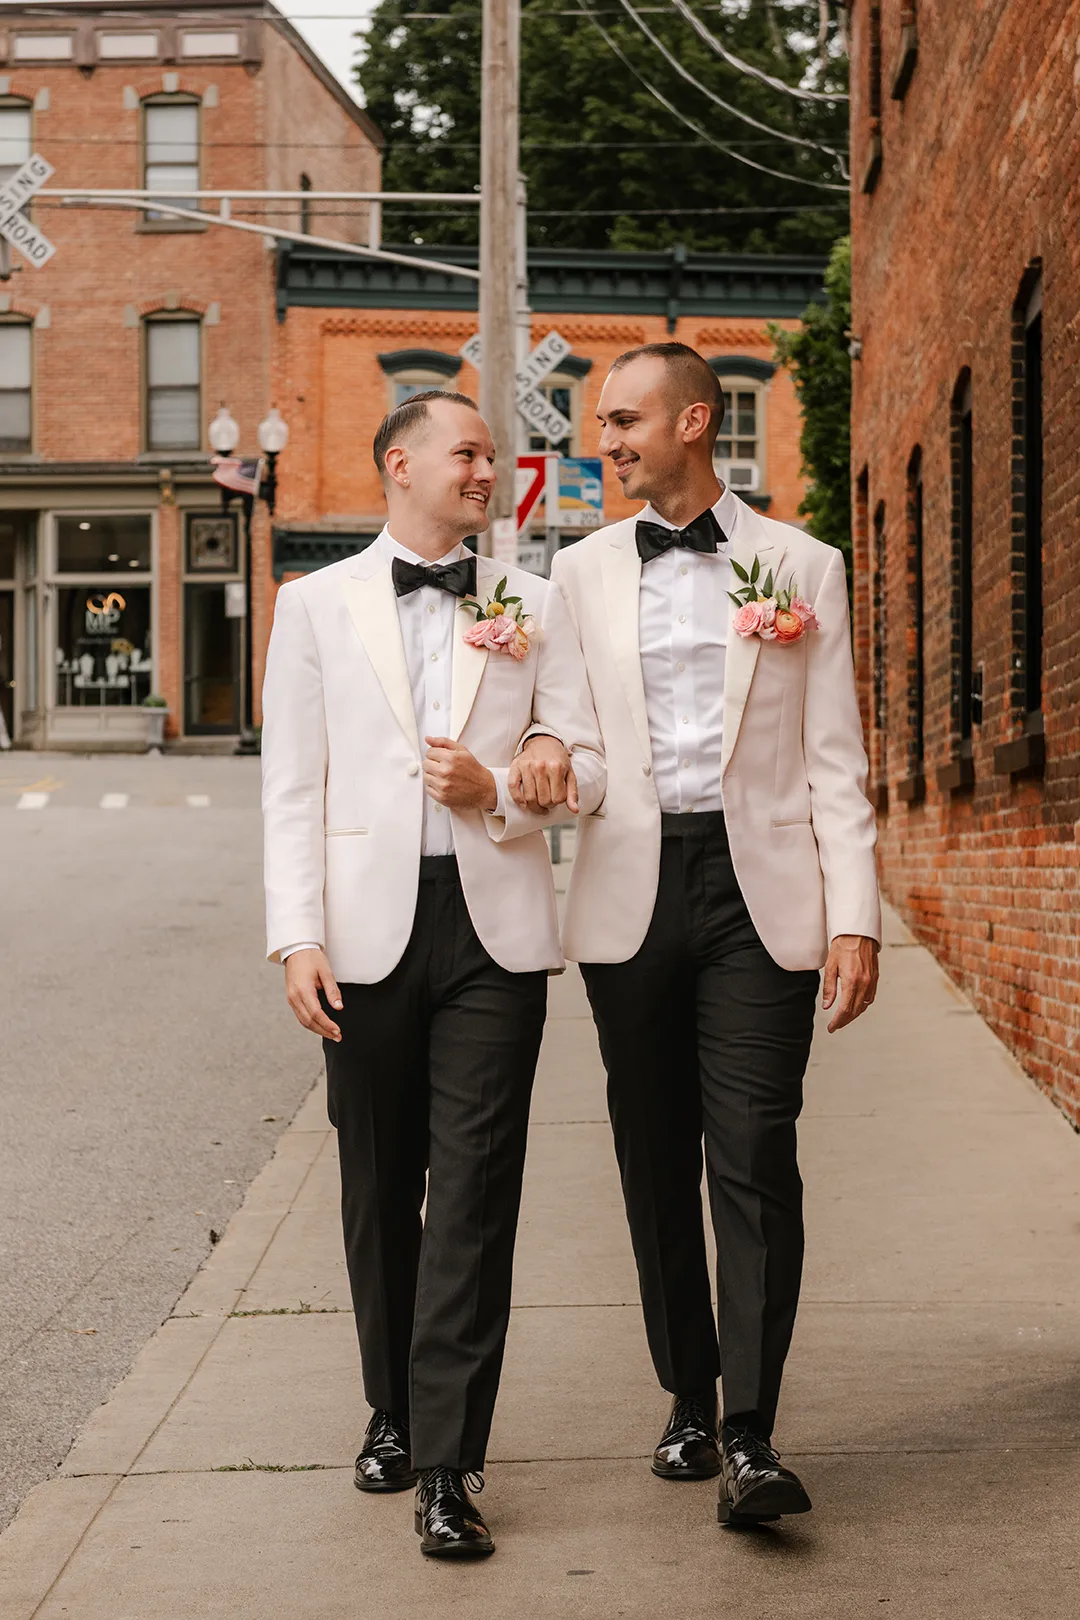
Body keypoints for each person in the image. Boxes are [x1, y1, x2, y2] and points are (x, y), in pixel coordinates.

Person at [512, 343, 881, 1528]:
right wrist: (549, 755)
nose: (604, 441)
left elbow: (835, 758)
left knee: (757, 1150)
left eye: (623, 419)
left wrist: (855, 915)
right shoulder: (577, 574)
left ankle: (753, 1435)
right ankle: (689, 1394)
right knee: (655, 1154)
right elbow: (572, 730)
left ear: (692, 423)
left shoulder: (802, 565)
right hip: (630, 888)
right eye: (599, 422)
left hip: (760, 891)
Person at [261, 390, 604, 1559]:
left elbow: (585, 763)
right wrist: (296, 936)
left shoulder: (532, 604)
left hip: (495, 934)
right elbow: (291, 786)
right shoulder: (312, 606)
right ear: (399, 464)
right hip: (361, 938)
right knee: (378, 1188)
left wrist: (504, 786)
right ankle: (394, 1410)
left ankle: (450, 1467)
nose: (486, 469)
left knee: (472, 1196)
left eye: (491, 455)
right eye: (468, 452)